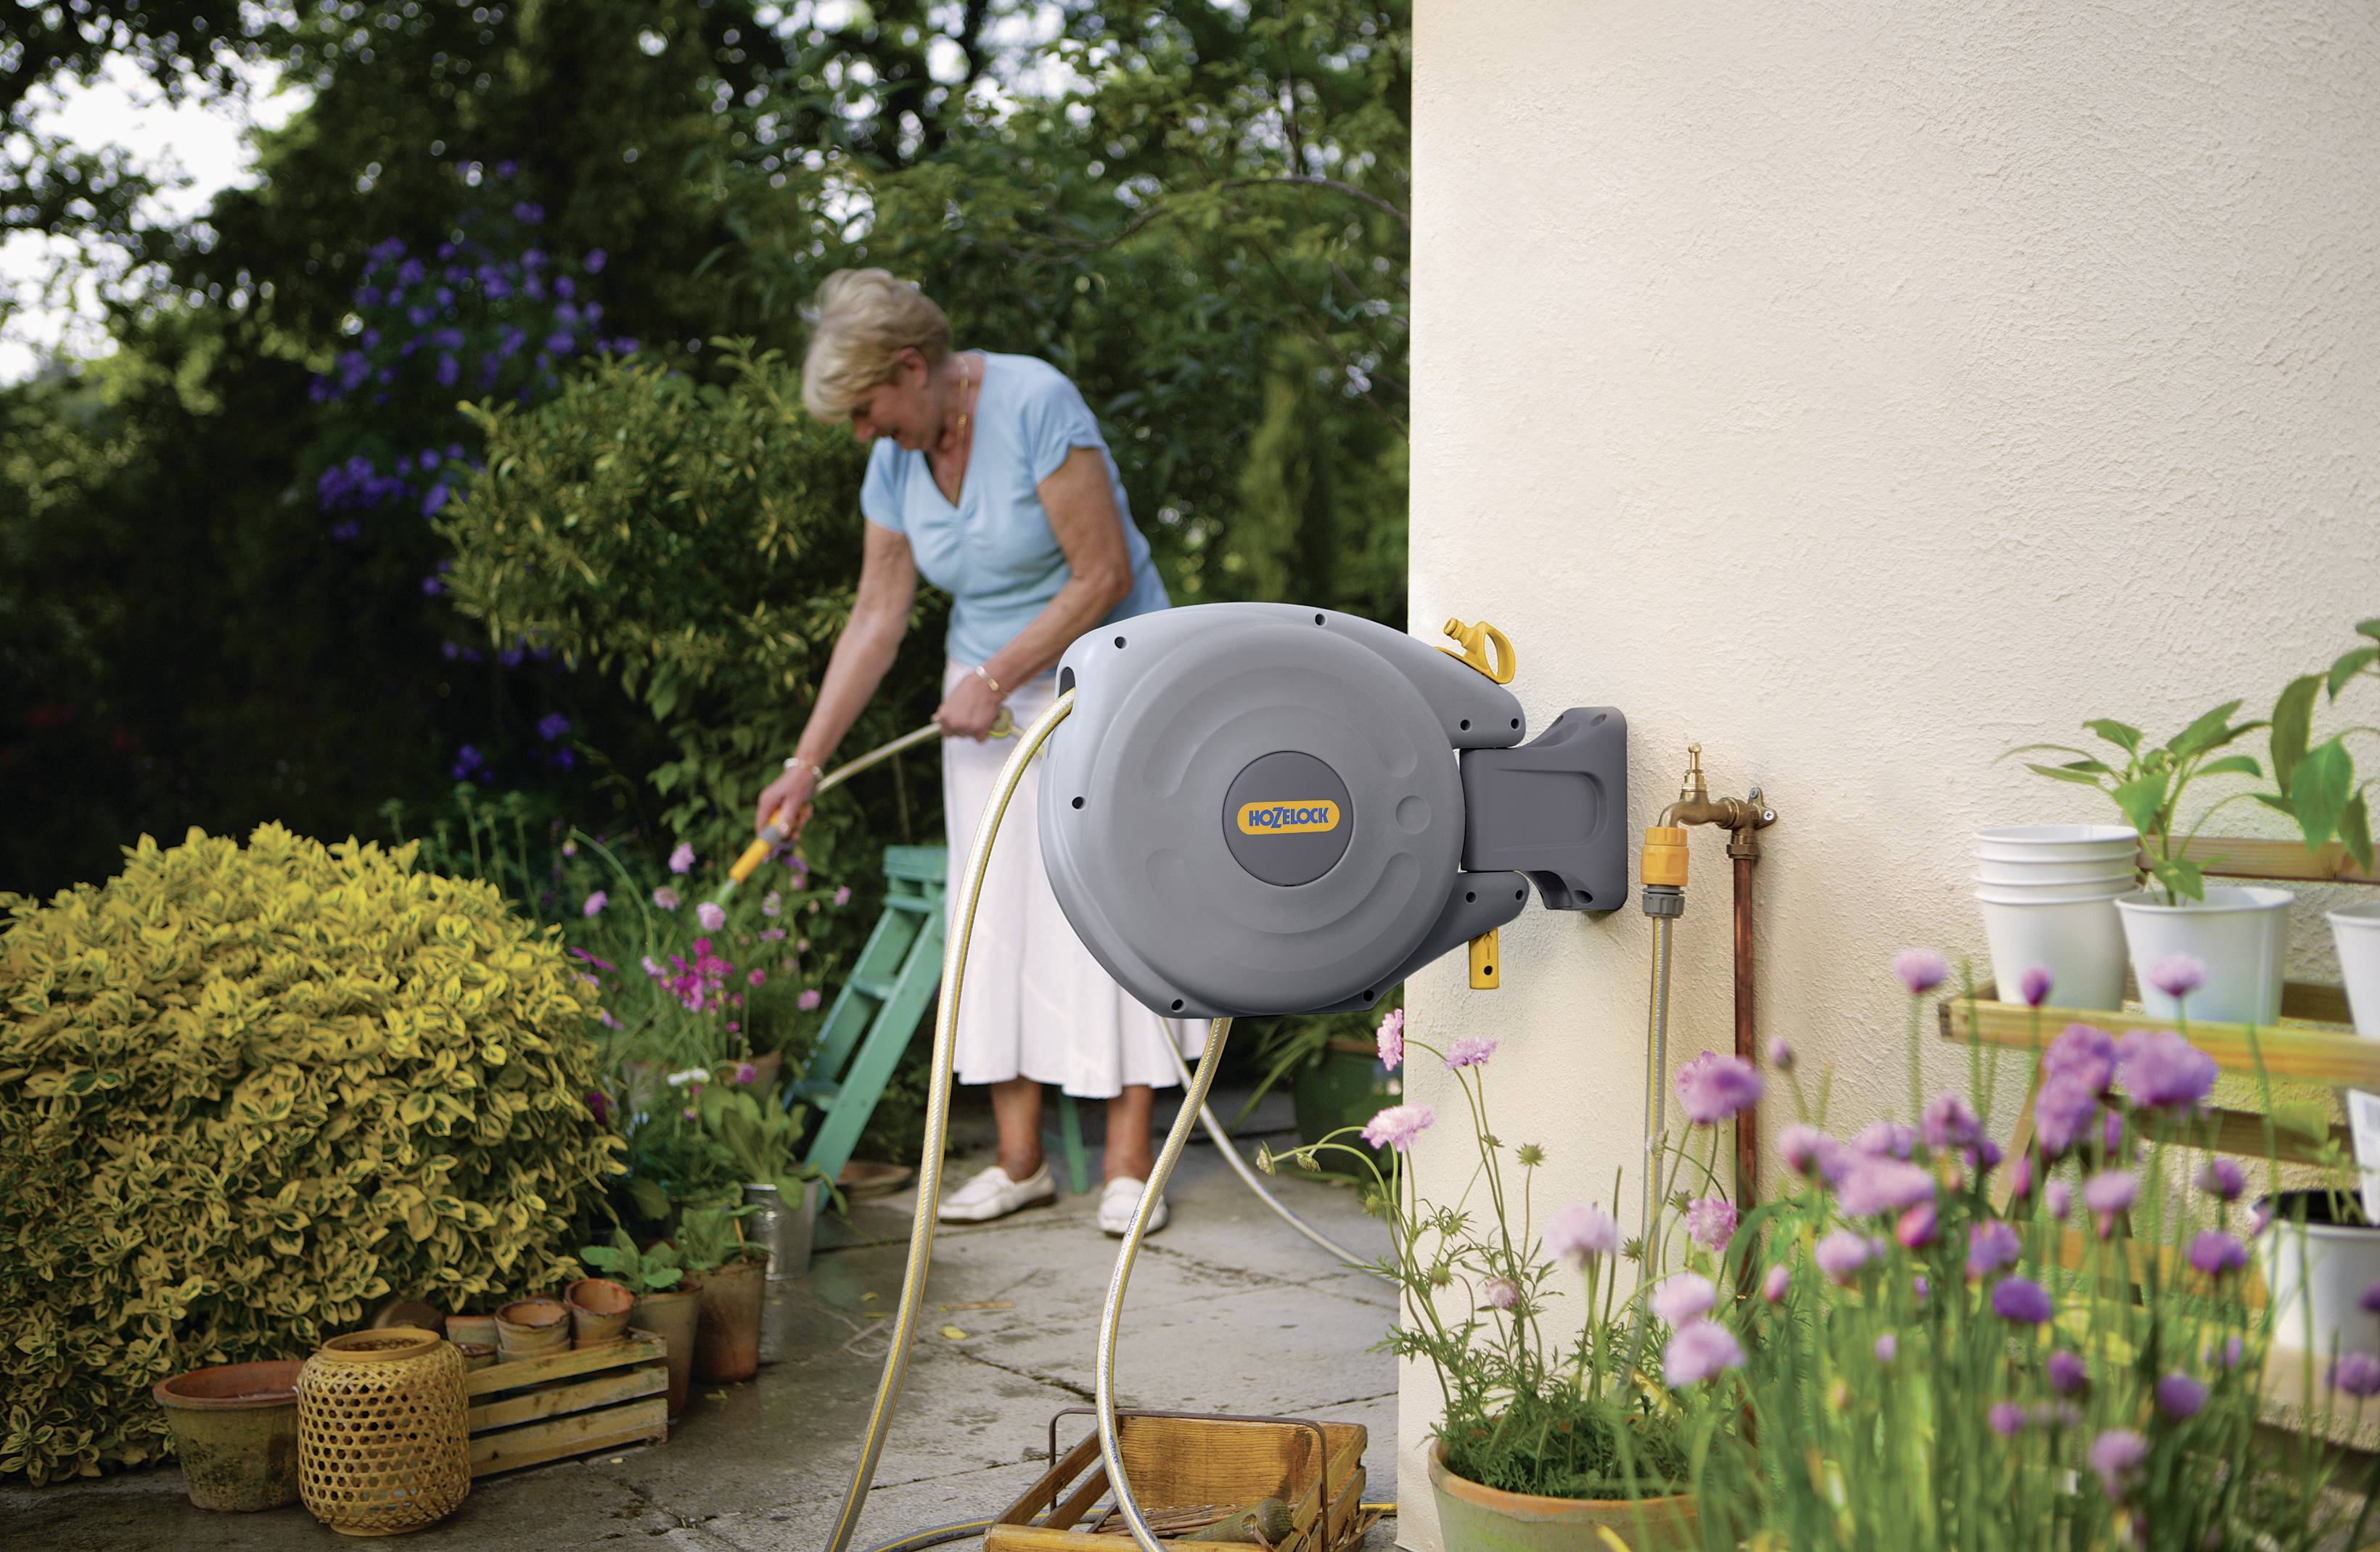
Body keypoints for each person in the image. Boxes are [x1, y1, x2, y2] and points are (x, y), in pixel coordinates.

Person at [753, 268, 1197, 1235]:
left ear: (912, 368)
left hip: (1101, 671)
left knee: (1106, 902)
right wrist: (806, 763)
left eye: (869, 409)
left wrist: (996, 677)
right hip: (985, 692)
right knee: (996, 911)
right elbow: (876, 616)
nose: (865, 433)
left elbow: (1102, 572)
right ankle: (1020, 1162)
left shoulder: (1037, 403)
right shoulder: (894, 463)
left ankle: (1130, 1168)